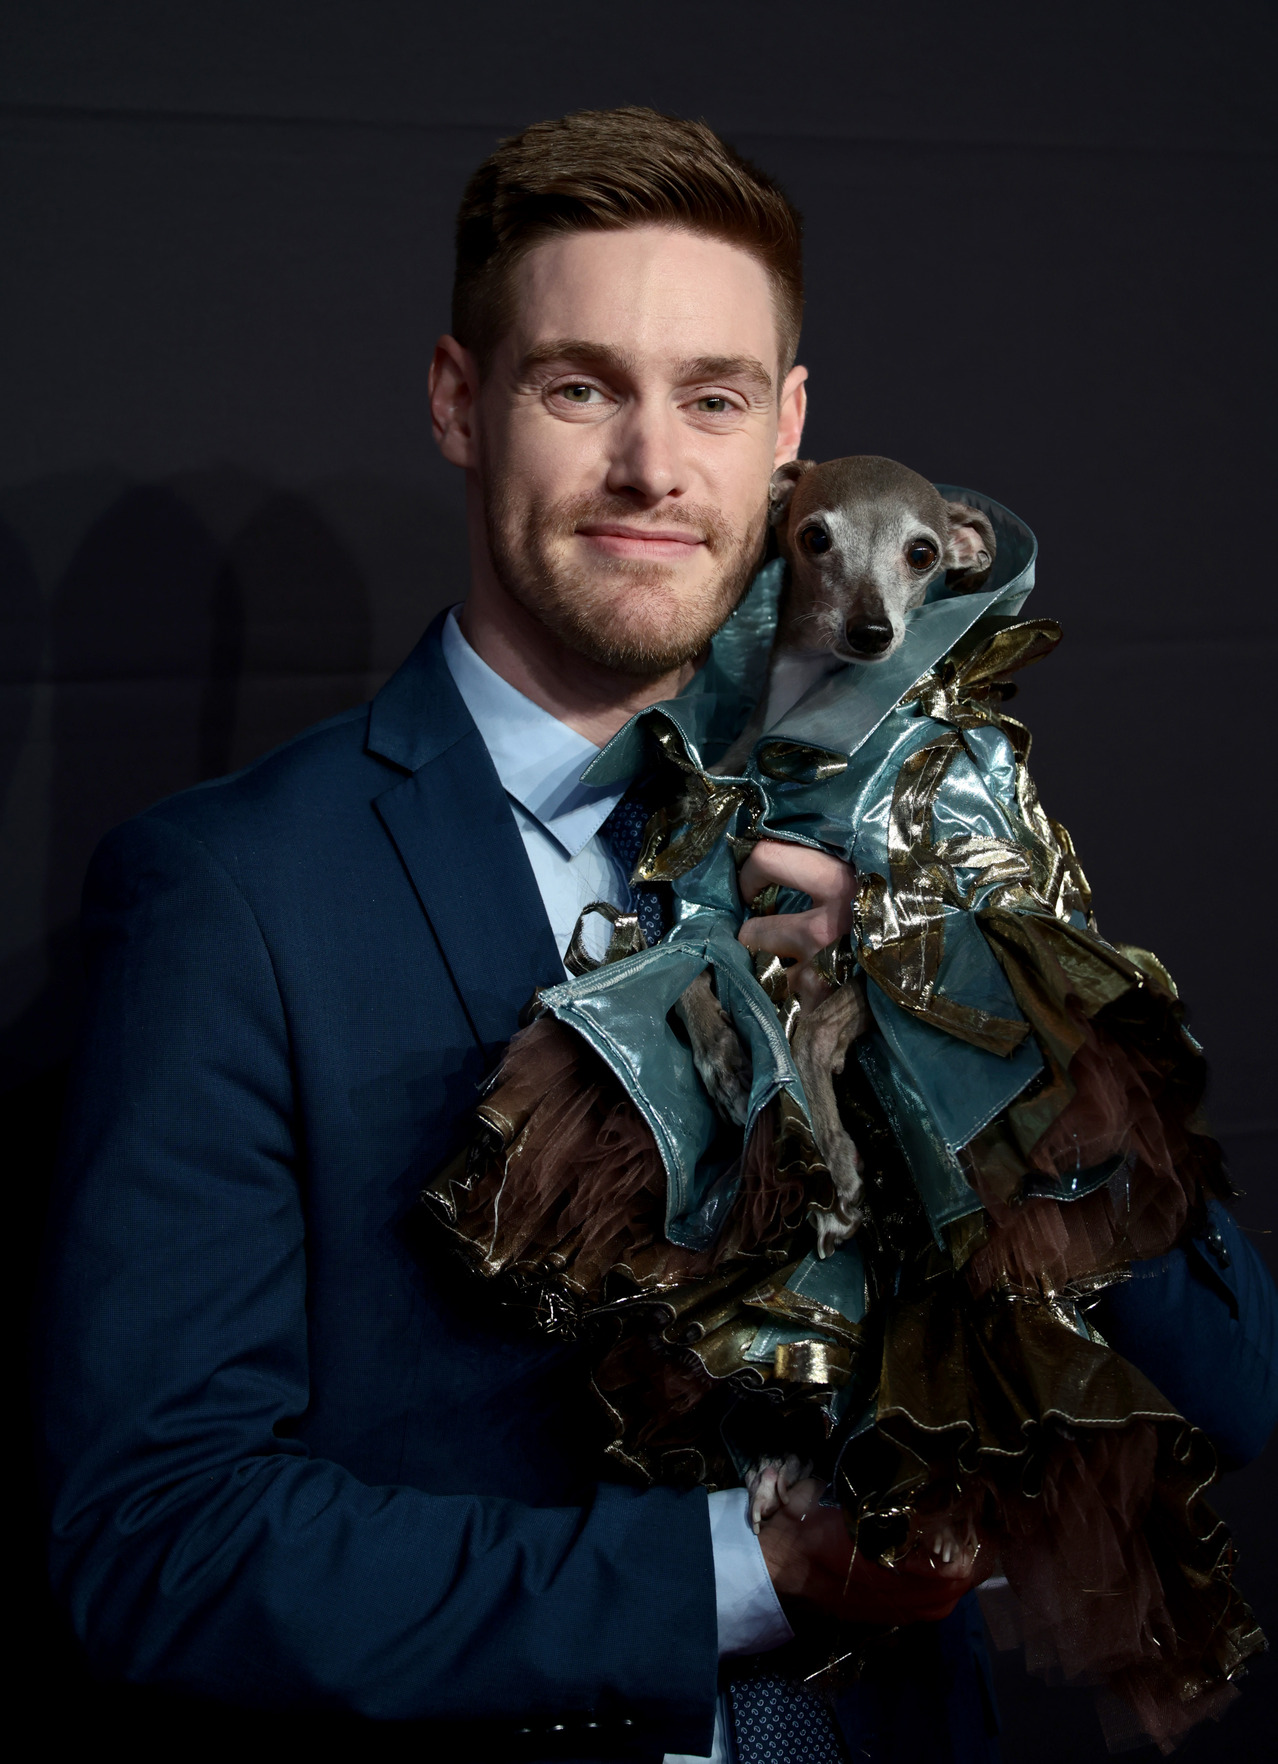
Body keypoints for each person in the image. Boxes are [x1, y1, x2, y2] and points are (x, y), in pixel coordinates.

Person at [38, 108, 1276, 1764]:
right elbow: (155, 1549)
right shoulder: (231, 897)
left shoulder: (927, 830)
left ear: (788, 430)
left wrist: (976, 1035)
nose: (650, 468)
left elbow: (1232, 1395)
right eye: (576, 387)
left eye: (710, 396)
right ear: (458, 402)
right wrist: (740, 1577)